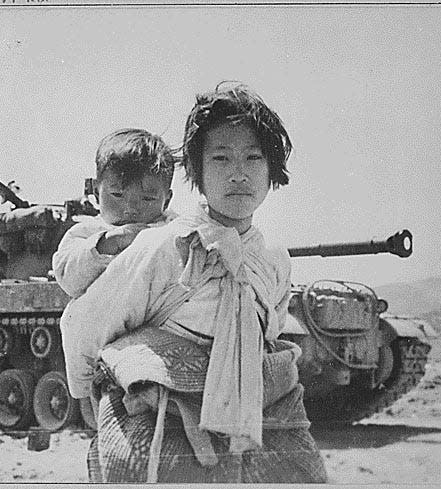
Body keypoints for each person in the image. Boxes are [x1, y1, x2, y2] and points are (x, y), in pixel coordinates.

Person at [60, 83, 327, 483]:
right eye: (220, 158)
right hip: (163, 420)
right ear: (197, 172)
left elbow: (269, 332)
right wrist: (83, 393)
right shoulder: (165, 246)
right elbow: (86, 321)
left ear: (272, 172)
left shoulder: (274, 262)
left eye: (253, 158)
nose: (238, 174)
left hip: (257, 419)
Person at [52, 128, 177, 423]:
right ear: (97, 191)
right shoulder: (87, 232)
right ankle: (86, 397)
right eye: (118, 194)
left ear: (167, 199)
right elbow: (67, 275)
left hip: (156, 341)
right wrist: (107, 244)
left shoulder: (172, 228)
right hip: (102, 348)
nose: (131, 208)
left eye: (147, 198)